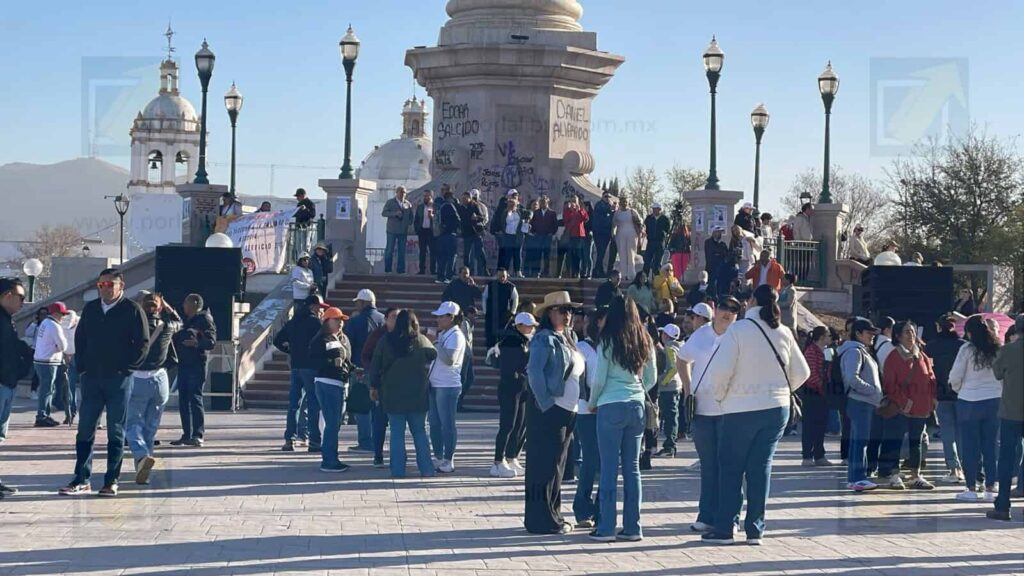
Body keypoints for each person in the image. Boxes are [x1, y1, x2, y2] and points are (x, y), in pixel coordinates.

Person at [701, 285, 811, 545]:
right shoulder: (783, 332)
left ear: (751, 301)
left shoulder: (737, 331)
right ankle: (755, 529)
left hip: (740, 408)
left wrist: (720, 397)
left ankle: (725, 528)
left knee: (730, 468)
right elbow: (803, 371)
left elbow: (720, 371)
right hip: (776, 409)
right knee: (760, 468)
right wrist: (780, 390)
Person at [60, 268, 150, 497]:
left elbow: (142, 343)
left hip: (118, 380)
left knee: (115, 430)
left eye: (110, 284)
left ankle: (111, 480)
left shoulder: (132, 310)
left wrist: (126, 368)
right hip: (92, 378)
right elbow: (80, 339)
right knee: (85, 429)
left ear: (121, 285)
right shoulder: (91, 309)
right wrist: (83, 368)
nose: (105, 289)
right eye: (101, 285)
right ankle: (81, 478)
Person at [585, 295, 656, 542]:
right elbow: (651, 378)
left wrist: (593, 402)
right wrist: (637, 388)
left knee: (608, 468)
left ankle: (605, 526)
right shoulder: (644, 339)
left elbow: (599, 378)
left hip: (610, 404)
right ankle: (633, 526)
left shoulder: (607, 341)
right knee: (632, 469)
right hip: (636, 405)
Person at [676, 296, 741, 528]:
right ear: (716, 310)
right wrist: (687, 389)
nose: (728, 313)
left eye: (734, 310)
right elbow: (682, 358)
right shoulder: (701, 333)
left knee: (729, 465)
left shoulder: (739, 335)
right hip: (702, 409)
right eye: (725, 307)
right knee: (708, 465)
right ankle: (706, 515)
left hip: (729, 409)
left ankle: (730, 517)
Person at [524, 291, 582, 534]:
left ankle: (554, 513)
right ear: (550, 313)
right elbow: (534, 372)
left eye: (570, 310)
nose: (568, 315)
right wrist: (546, 403)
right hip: (551, 409)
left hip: (568, 409)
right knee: (545, 465)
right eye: (562, 310)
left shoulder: (569, 337)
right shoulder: (544, 339)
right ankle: (543, 519)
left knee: (558, 465)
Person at [368, 310, 438, 478]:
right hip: (418, 394)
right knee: (420, 432)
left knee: (396, 433)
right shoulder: (421, 341)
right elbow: (433, 354)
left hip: (392, 393)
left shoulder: (385, 341)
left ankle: (398, 470)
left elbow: (375, 365)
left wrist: (373, 387)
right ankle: (427, 469)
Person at [948, 314, 1002, 502]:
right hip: (995, 400)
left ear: (969, 333)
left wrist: (960, 390)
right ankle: (990, 488)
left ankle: (971, 488)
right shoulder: (997, 349)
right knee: (991, 445)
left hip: (969, 401)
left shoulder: (966, 350)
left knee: (970, 447)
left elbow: (955, 377)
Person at [878, 320, 936, 490]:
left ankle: (915, 475)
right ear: (898, 336)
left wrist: (933, 398)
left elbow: (931, 377)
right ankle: (894, 474)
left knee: (916, 442)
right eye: (907, 332)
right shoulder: (893, 357)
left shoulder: (921, 355)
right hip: (902, 408)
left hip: (922, 407)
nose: (911, 335)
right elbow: (889, 385)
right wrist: (905, 402)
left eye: (912, 331)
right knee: (896, 441)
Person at [126, 293, 174, 485]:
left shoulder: (133, 326)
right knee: (151, 426)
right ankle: (142, 467)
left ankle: (141, 455)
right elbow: (180, 320)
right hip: (160, 379)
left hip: (138, 378)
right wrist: (166, 305)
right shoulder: (168, 326)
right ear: (159, 307)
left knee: (131, 425)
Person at [275, 294, 328, 452]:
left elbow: (278, 340)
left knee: (294, 404)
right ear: (313, 307)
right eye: (319, 308)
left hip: (295, 366)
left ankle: (289, 440)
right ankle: (314, 441)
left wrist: (290, 350)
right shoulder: (315, 323)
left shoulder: (293, 322)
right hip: (311, 367)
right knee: (313, 403)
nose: (320, 311)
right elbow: (323, 342)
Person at [839, 318, 884, 491]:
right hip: (860, 402)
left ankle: (856, 477)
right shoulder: (854, 352)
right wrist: (871, 390)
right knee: (860, 441)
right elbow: (852, 378)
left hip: (862, 402)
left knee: (858, 440)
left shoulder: (858, 350)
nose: (872, 336)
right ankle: (858, 477)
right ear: (858, 333)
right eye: (868, 333)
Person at [491, 312, 537, 478]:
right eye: (528, 325)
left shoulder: (526, 340)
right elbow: (512, 366)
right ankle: (497, 461)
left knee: (520, 424)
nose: (531, 328)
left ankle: (512, 457)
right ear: (518, 326)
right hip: (510, 387)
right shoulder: (511, 341)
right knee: (507, 425)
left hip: (522, 387)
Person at [925, 314, 968, 485]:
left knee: (947, 433)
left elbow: (928, 371)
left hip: (940, 394)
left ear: (939, 326)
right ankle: (966, 467)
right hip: (962, 393)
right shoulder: (963, 346)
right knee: (962, 432)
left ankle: (952, 468)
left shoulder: (930, 347)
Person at [573, 307, 606, 528]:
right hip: (586, 410)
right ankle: (582, 507)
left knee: (606, 462)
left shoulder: (609, 347)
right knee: (591, 460)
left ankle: (601, 509)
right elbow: (579, 379)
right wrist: (590, 401)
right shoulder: (582, 347)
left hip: (607, 409)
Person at [988, 314, 1023, 520]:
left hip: (1011, 411)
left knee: (1006, 459)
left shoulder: (1008, 350)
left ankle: (1002, 506)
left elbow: (998, 373)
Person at [309, 307, 353, 473]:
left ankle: (331, 457)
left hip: (340, 384)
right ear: (327, 321)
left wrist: (352, 369)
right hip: (327, 383)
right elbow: (314, 360)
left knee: (335, 424)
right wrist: (330, 362)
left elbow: (346, 360)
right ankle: (329, 460)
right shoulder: (321, 339)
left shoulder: (341, 339)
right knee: (332, 423)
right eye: (337, 320)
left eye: (342, 320)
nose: (341, 323)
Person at [171, 293, 216, 448]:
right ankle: (186, 434)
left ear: (195, 303)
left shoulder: (204, 319)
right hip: (183, 364)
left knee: (195, 398)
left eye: (186, 302)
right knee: (183, 400)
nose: (183, 306)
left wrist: (197, 343)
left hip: (197, 365)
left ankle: (198, 434)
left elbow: (211, 342)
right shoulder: (186, 321)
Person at [1, 278, 32, 498]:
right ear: (7, 296)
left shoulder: (6, 320)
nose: (24, 302)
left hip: (7, 383)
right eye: (21, 297)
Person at [345, 289, 385, 457]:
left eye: (358, 302)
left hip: (361, 368)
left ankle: (365, 441)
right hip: (382, 369)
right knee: (378, 407)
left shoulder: (355, 322)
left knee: (362, 406)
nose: (356, 305)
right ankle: (378, 441)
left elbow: (348, 345)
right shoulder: (384, 319)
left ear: (363, 303)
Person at [427, 301, 465, 473]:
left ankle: (449, 459)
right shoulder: (444, 334)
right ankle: (439, 456)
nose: (438, 320)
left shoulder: (456, 335)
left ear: (451, 318)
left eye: (442, 316)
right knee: (434, 423)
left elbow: (449, 359)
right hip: (435, 384)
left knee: (447, 424)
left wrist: (435, 343)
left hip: (448, 385)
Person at [800, 326, 834, 466]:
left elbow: (830, 370)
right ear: (821, 337)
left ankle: (819, 455)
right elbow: (810, 374)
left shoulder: (827, 351)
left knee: (821, 425)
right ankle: (807, 455)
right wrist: (822, 386)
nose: (830, 338)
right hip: (812, 392)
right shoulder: (811, 351)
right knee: (809, 424)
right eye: (828, 335)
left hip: (824, 392)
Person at [32, 301, 68, 427]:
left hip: (41, 360)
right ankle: (42, 416)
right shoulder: (54, 326)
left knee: (47, 389)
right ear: (56, 313)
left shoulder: (45, 323)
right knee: (47, 390)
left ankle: (44, 414)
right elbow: (63, 345)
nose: (63, 317)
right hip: (48, 361)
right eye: (62, 314)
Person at [654, 323, 683, 458]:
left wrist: (662, 382)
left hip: (669, 388)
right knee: (671, 416)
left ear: (665, 335)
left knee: (670, 417)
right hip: (677, 385)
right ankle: (669, 446)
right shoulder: (679, 346)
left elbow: (673, 368)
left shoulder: (670, 348)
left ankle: (669, 447)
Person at [483, 269, 519, 348]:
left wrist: (512, 312)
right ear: (496, 276)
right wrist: (485, 312)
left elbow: (515, 299)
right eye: (499, 276)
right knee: (490, 338)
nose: (501, 278)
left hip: (504, 316)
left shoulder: (511, 287)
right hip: (491, 315)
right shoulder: (490, 285)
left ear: (506, 276)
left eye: (503, 276)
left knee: (502, 337)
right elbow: (484, 298)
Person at [382, 186, 413, 274]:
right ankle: (388, 269)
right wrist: (394, 214)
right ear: (397, 192)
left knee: (402, 251)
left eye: (404, 192)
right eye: (401, 192)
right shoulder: (390, 202)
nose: (403, 194)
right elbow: (384, 213)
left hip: (403, 231)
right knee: (389, 250)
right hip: (392, 230)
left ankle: (401, 270)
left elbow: (411, 216)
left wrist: (408, 222)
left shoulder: (408, 204)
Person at [435, 187, 462, 283]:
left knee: (442, 256)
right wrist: (457, 228)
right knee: (451, 256)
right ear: (449, 198)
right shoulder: (450, 206)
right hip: (450, 234)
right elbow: (457, 219)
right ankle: (448, 277)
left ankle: (440, 277)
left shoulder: (440, 207)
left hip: (441, 234)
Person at [460, 189, 489, 276]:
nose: (464, 200)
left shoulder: (475, 205)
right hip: (466, 233)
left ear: (470, 198)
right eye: (463, 198)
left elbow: (482, 217)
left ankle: (484, 270)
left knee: (480, 252)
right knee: (467, 254)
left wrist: (476, 217)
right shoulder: (461, 207)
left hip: (476, 233)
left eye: (466, 198)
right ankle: (467, 271)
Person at [613, 197, 643, 281]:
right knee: (622, 254)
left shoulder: (632, 212)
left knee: (631, 254)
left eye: (625, 202)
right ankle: (623, 275)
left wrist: (639, 235)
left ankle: (631, 275)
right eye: (622, 202)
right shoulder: (617, 213)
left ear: (628, 202)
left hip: (632, 234)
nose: (624, 203)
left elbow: (640, 222)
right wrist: (613, 234)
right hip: (620, 235)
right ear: (620, 203)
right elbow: (613, 224)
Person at [529, 195, 559, 277]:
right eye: (541, 202)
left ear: (547, 202)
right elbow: (532, 224)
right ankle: (537, 272)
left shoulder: (552, 213)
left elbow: (555, 225)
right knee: (537, 255)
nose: (542, 203)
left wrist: (551, 233)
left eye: (544, 202)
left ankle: (545, 272)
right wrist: (533, 231)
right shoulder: (536, 212)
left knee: (546, 255)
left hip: (547, 236)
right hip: (538, 236)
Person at [563, 195, 590, 279]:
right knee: (571, 254)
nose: (574, 202)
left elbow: (585, 219)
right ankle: (571, 272)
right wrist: (572, 211)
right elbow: (566, 220)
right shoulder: (567, 210)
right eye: (572, 201)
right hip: (571, 235)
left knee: (579, 254)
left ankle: (578, 271)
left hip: (579, 235)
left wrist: (579, 210)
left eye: (575, 201)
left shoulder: (581, 209)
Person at [591, 192, 616, 278]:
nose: (607, 198)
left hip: (606, 233)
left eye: (609, 197)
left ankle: (600, 271)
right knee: (600, 252)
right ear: (602, 197)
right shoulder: (599, 205)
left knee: (602, 252)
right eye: (606, 196)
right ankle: (595, 271)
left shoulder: (609, 207)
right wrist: (611, 207)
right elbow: (603, 210)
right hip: (598, 232)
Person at [643, 203, 671, 275]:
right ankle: (645, 277)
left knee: (657, 262)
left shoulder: (665, 219)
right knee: (647, 261)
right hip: (650, 242)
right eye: (653, 209)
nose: (654, 210)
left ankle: (656, 278)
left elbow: (668, 230)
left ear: (659, 209)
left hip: (660, 242)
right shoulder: (648, 218)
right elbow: (645, 228)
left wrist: (663, 234)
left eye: (656, 209)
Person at [414, 189, 436, 276]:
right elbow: (416, 220)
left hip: (432, 232)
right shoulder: (420, 207)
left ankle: (433, 270)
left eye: (427, 196)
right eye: (424, 196)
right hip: (422, 231)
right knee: (422, 252)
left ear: (431, 196)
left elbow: (438, 219)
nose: (425, 198)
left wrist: (432, 217)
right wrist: (417, 229)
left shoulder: (435, 206)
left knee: (433, 252)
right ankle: (421, 270)